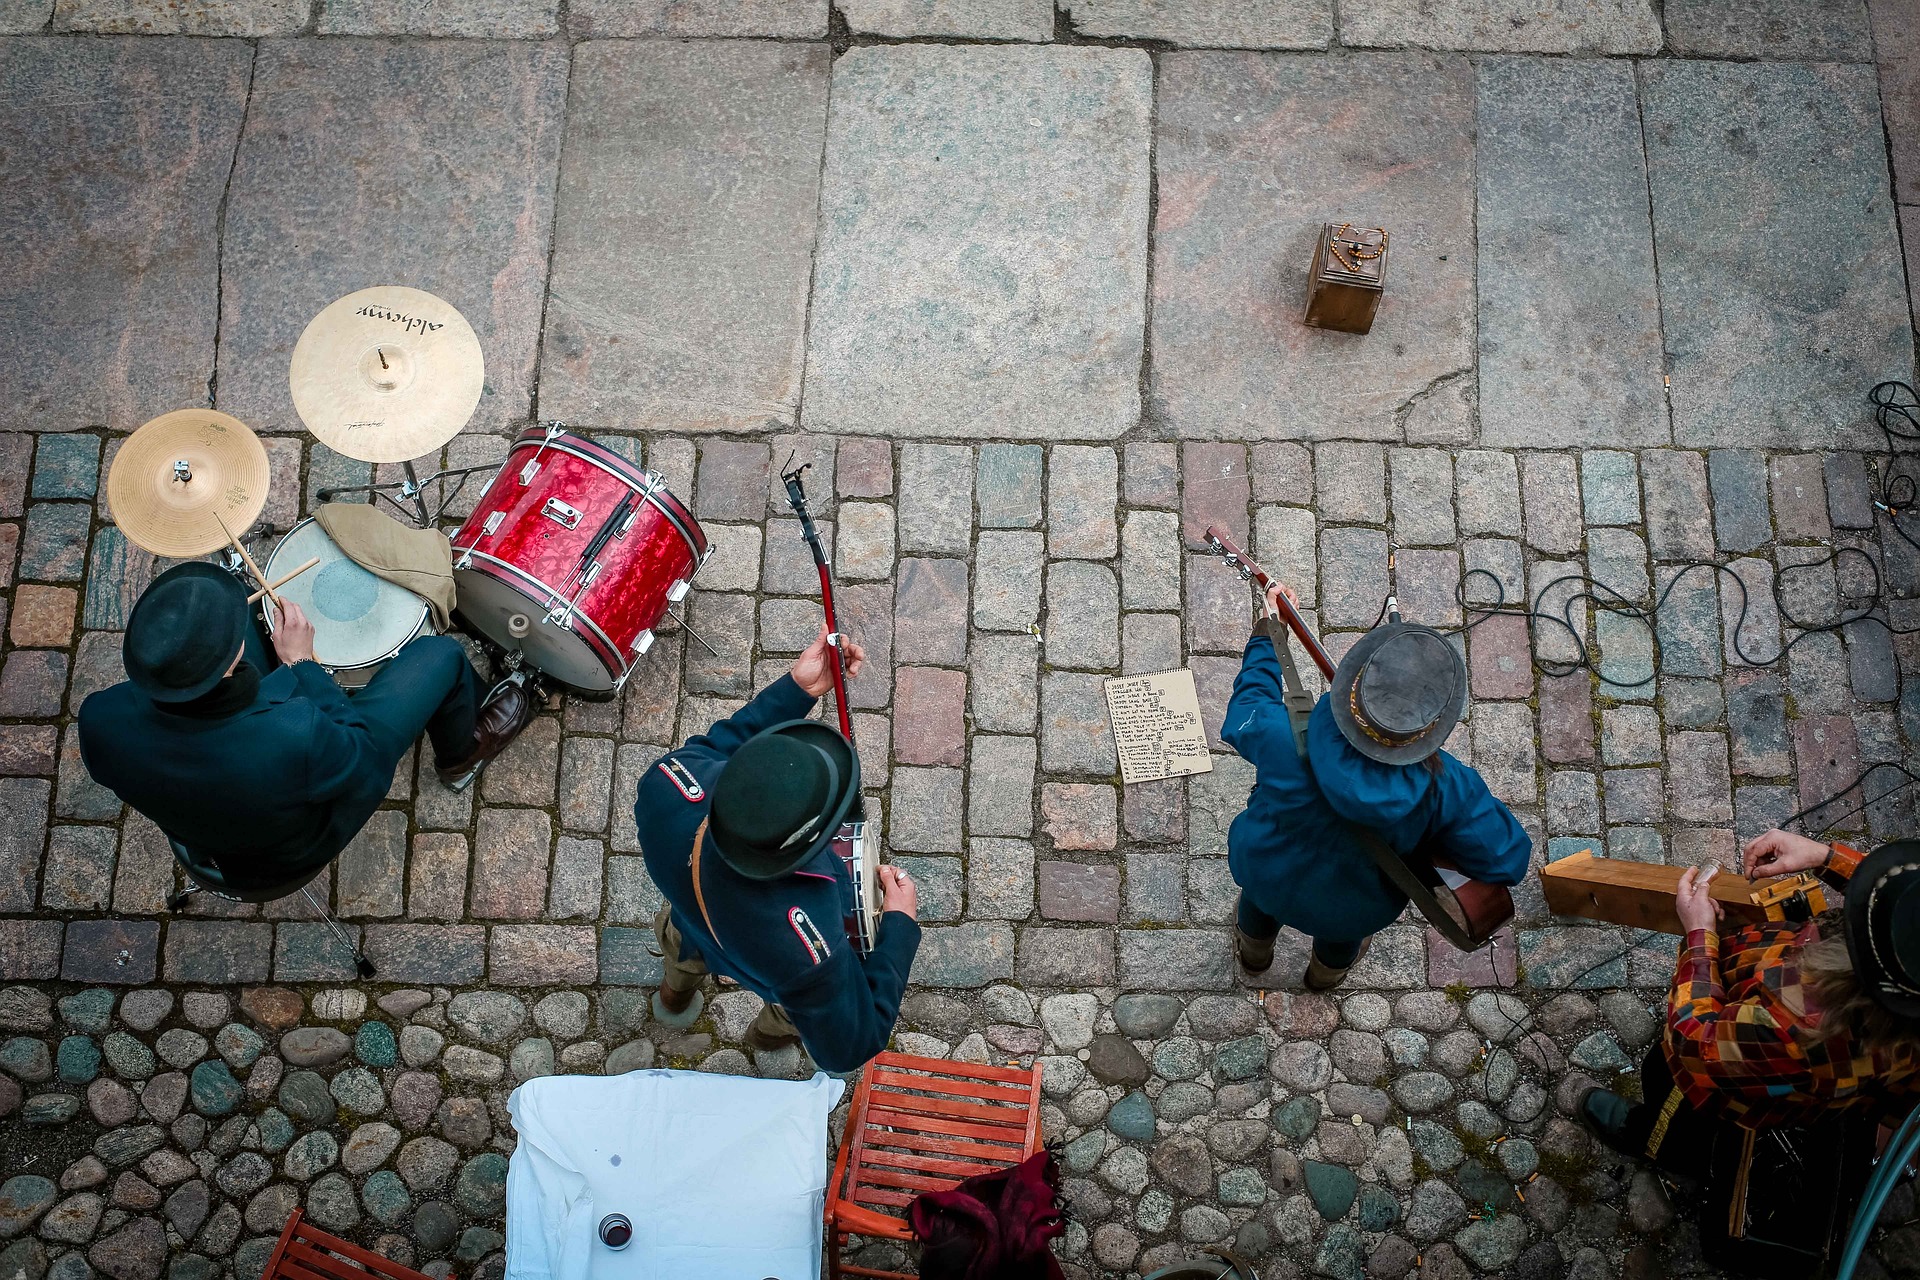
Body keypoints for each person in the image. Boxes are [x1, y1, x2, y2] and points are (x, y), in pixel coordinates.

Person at [80, 562, 531, 889]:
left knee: (252, 613)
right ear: (224, 667)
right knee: (440, 656)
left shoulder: (98, 719)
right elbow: (362, 761)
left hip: (206, 831)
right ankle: (461, 754)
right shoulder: (293, 734)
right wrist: (302, 664)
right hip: (288, 851)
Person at [636, 626, 920, 1072]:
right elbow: (852, 1044)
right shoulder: (811, 948)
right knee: (790, 1010)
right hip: (776, 969)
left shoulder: (665, 784)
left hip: (690, 920)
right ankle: (766, 1038)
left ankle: (673, 999)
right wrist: (900, 925)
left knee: (680, 948)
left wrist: (796, 690)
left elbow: (722, 744)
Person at [1222, 583, 1532, 990]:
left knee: (1257, 911)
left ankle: (1253, 958)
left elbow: (1248, 706)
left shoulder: (1280, 735)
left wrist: (1269, 630)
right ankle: (1324, 979)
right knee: (1342, 940)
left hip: (1266, 872)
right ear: (1428, 729)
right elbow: (1507, 862)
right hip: (1357, 908)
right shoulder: (1447, 786)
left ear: (1354, 685)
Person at [1580, 829, 1920, 1170]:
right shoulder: (1894, 981)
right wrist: (1826, 858)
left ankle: (1653, 1141)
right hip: (1763, 1014)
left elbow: (1694, 1043)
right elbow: (1904, 908)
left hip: (1727, 1080)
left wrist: (1699, 935)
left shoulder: (1801, 1027)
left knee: (1670, 1089)